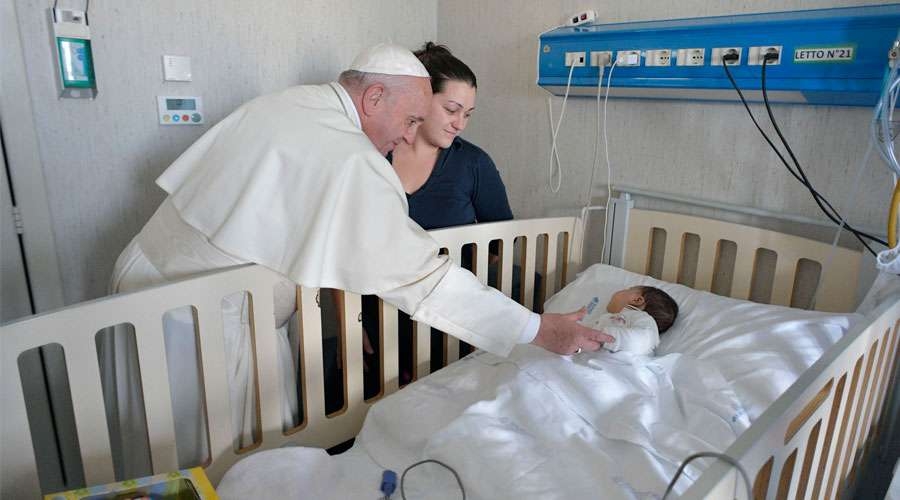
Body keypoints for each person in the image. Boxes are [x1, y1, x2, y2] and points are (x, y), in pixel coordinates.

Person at [100, 43, 613, 478]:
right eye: (411, 119)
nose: (409, 135)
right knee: (217, 464)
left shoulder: (290, 104)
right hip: (202, 322)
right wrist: (536, 329)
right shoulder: (349, 158)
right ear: (372, 97)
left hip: (153, 286)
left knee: (163, 444)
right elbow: (424, 280)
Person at [358, 42, 513, 392]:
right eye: (452, 109)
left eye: (468, 114)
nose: (460, 123)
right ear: (421, 99)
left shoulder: (473, 164)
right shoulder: (372, 158)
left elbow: (501, 246)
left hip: (449, 316)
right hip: (379, 316)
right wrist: (354, 325)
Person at [578, 286, 679, 356]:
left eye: (628, 289)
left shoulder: (644, 319)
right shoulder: (605, 318)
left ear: (637, 300)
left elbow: (641, 341)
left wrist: (601, 336)